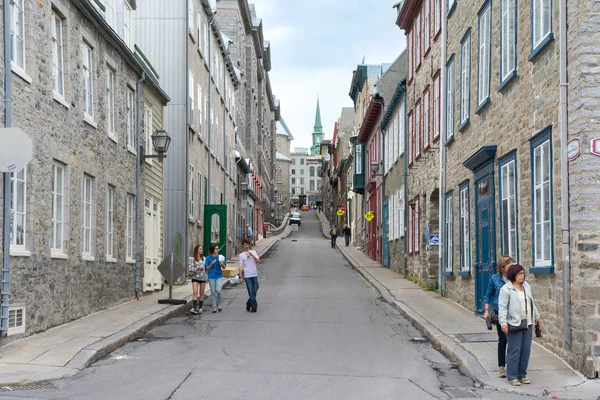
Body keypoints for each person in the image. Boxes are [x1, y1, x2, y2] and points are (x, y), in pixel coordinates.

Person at [498, 264, 542, 386]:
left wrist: (537, 316)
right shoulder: (506, 289)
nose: (522, 276)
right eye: (519, 274)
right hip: (513, 322)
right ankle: (512, 376)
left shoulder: (526, 286)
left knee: (525, 350)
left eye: (523, 273)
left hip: (527, 322)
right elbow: (502, 308)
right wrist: (503, 323)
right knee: (514, 350)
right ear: (513, 275)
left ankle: (522, 374)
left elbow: (531, 302)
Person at [483, 255, 513, 378]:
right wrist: (486, 310)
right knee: (503, 339)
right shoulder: (494, 279)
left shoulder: (514, 278)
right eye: (510, 265)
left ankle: (512, 365)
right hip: (500, 313)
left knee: (513, 341)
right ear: (503, 267)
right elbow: (488, 295)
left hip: (513, 313)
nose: (512, 267)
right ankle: (501, 367)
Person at [239, 239, 260, 313]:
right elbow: (241, 267)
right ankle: (254, 307)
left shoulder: (253, 252)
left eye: (247, 245)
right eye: (244, 245)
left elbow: (258, 261)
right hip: (247, 275)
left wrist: (252, 255)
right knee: (251, 291)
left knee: (256, 288)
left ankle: (249, 302)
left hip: (254, 274)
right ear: (243, 246)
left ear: (249, 245)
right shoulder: (241, 255)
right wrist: (240, 276)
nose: (246, 246)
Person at [205, 244, 226, 313]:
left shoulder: (220, 257)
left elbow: (224, 267)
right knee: (213, 291)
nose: (217, 250)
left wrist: (221, 264)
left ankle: (219, 304)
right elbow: (207, 268)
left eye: (217, 249)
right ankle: (214, 306)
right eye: (216, 249)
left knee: (218, 290)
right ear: (212, 250)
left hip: (219, 275)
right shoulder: (208, 258)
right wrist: (211, 264)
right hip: (211, 276)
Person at [189, 245, 207, 314]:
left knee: (202, 293)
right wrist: (197, 268)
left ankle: (200, 307)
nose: (201, 250)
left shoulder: (204, 259)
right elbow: (190, 269)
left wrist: (206, 278)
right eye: (200, 249)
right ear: (197, 250)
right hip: (195, 277)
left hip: (202, 277)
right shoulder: (192, 259)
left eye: (202, 249)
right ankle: (194, 307)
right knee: (195, 292)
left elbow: (206, 269)